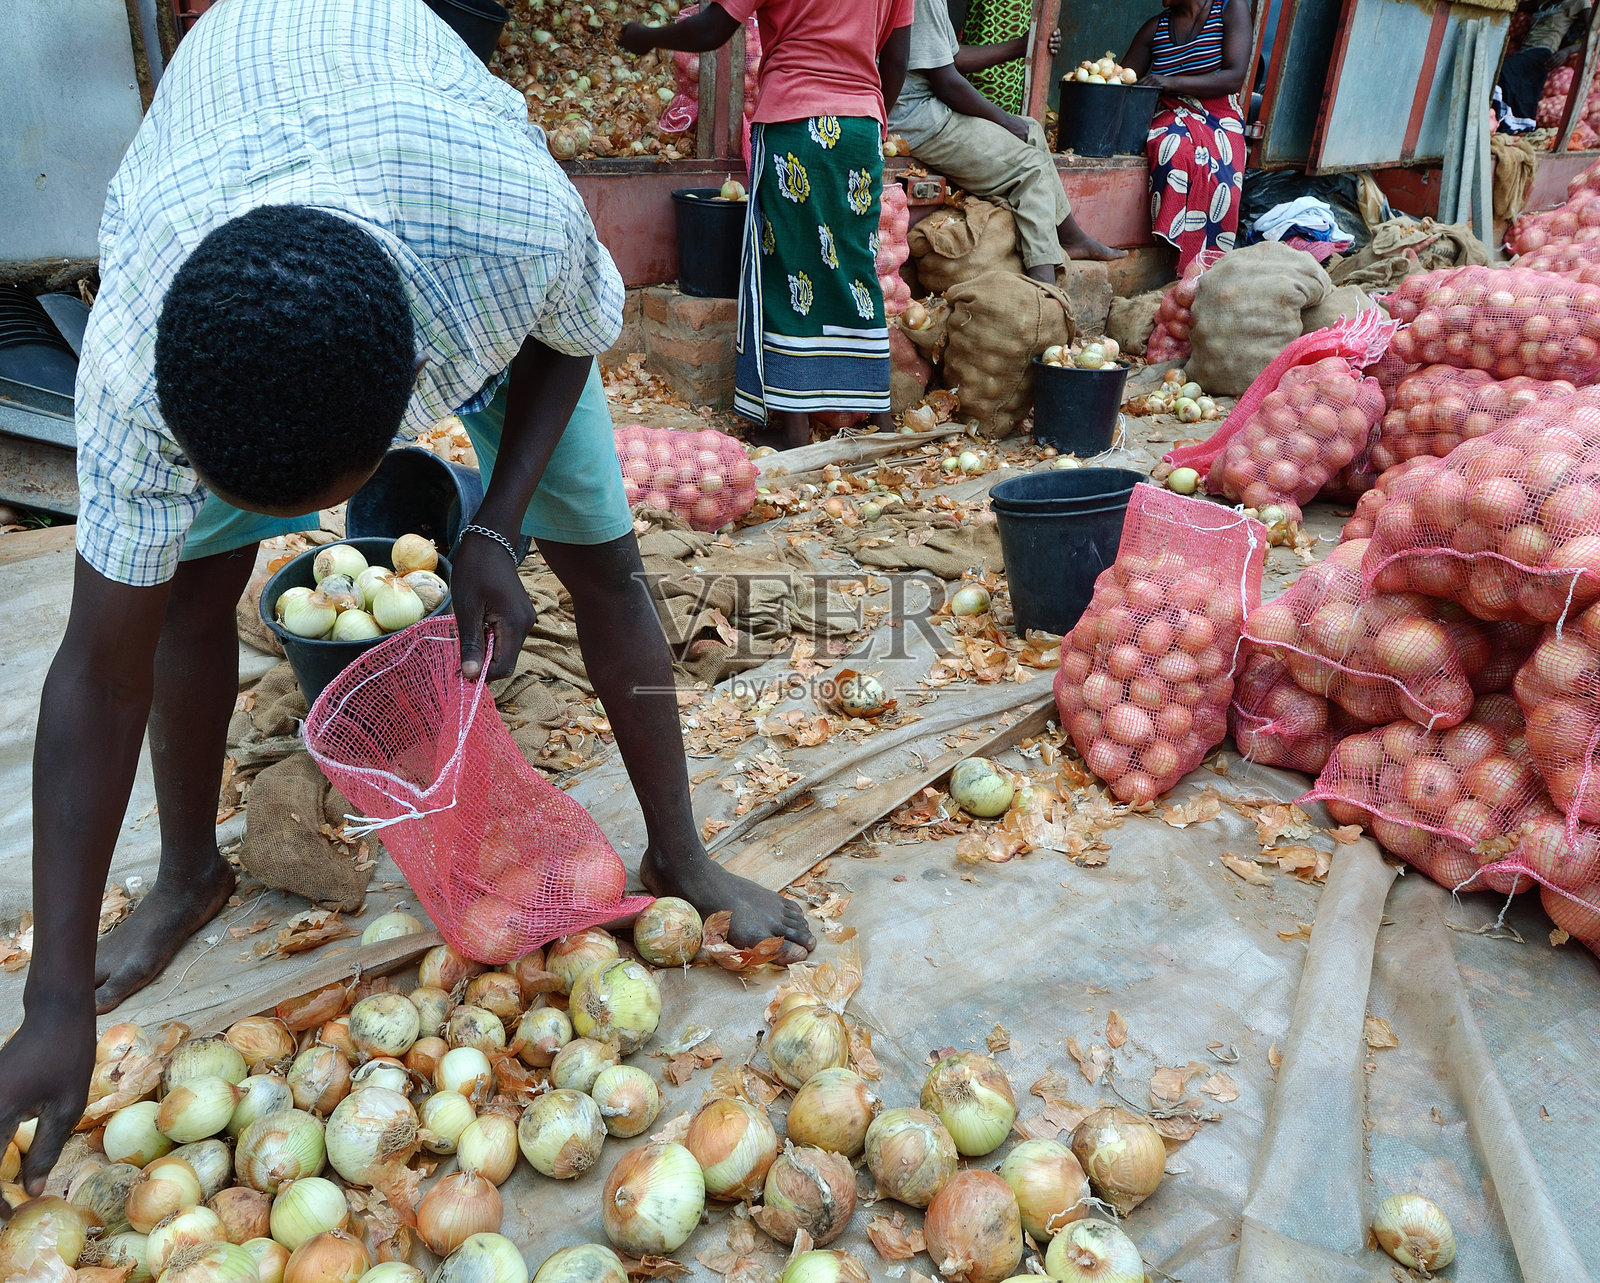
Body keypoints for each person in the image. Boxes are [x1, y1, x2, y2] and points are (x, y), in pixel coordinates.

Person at [0, 0, 815, 1198]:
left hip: (426, 176)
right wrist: (51, 995)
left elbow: (571, 331)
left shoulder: (503, 228)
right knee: (179, 599)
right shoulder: (137, 368)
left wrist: (493, 526)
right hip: (237, 152)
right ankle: (187, 872)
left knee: (605, 565)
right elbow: (93, 668)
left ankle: (682, 850)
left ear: (409, 393)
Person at [623, 1, 915, 452]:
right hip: (860, 127)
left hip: (793, 123)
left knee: (790, 263)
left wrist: (648, 35)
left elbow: (710, 31)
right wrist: (869, 115)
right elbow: (896, 60)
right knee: (858, 262)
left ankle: (795, 427)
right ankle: (881, 418)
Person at [890, 0, 1126, 284]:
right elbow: (947, 81)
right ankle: (1044, 289)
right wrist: (1003, 120)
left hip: (929, 109)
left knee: (1032, 130)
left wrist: (1024, 45)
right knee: (1031, 168)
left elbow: (951, 58)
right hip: (915, 119)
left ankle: (1072, 238)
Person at [1123, 0, 1252, 274]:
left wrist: (1168, 81)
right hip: (1171, 111)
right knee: (1173, 148)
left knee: (1223, 176)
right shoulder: (1154, 29)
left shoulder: (1230, 8)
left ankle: (1207, 266)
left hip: (1220, 114)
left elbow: (1233, 77)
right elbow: (1124, 81)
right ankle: (1181, 256)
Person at [1499, 0, 1593, 123]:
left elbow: (1593, 36)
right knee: (1511, 88)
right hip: (1524, 52)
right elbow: (1513, 6)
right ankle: (1507, 123)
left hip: (1543, 52)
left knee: (1503, 71)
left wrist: (1567, 51)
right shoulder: (1543, 2)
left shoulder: (1579, 2)